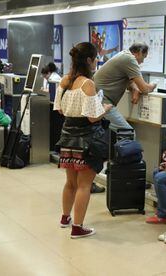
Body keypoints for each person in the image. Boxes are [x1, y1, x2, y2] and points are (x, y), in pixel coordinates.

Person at [53, 42, 112, 238]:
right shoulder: (88, 84)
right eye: (95, 59)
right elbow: (93, 117)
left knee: (70, 182)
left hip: (67, 136)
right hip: (86, 140)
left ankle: (65, 218)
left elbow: (60, 109)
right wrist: (106, 108)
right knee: (84, 185)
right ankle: (77, 227)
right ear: (88, 60)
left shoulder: (64, 80)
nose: (96, 62)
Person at [94, 42, 157, 129]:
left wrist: (135, 89)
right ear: (139, 52)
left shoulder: (124, 55)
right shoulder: (130, 59)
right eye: (143, 57)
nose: (142, 61)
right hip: (104, 103)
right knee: (128, 133)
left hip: (99, 100)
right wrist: (154, 84)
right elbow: (145, 88)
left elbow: (129, 81)